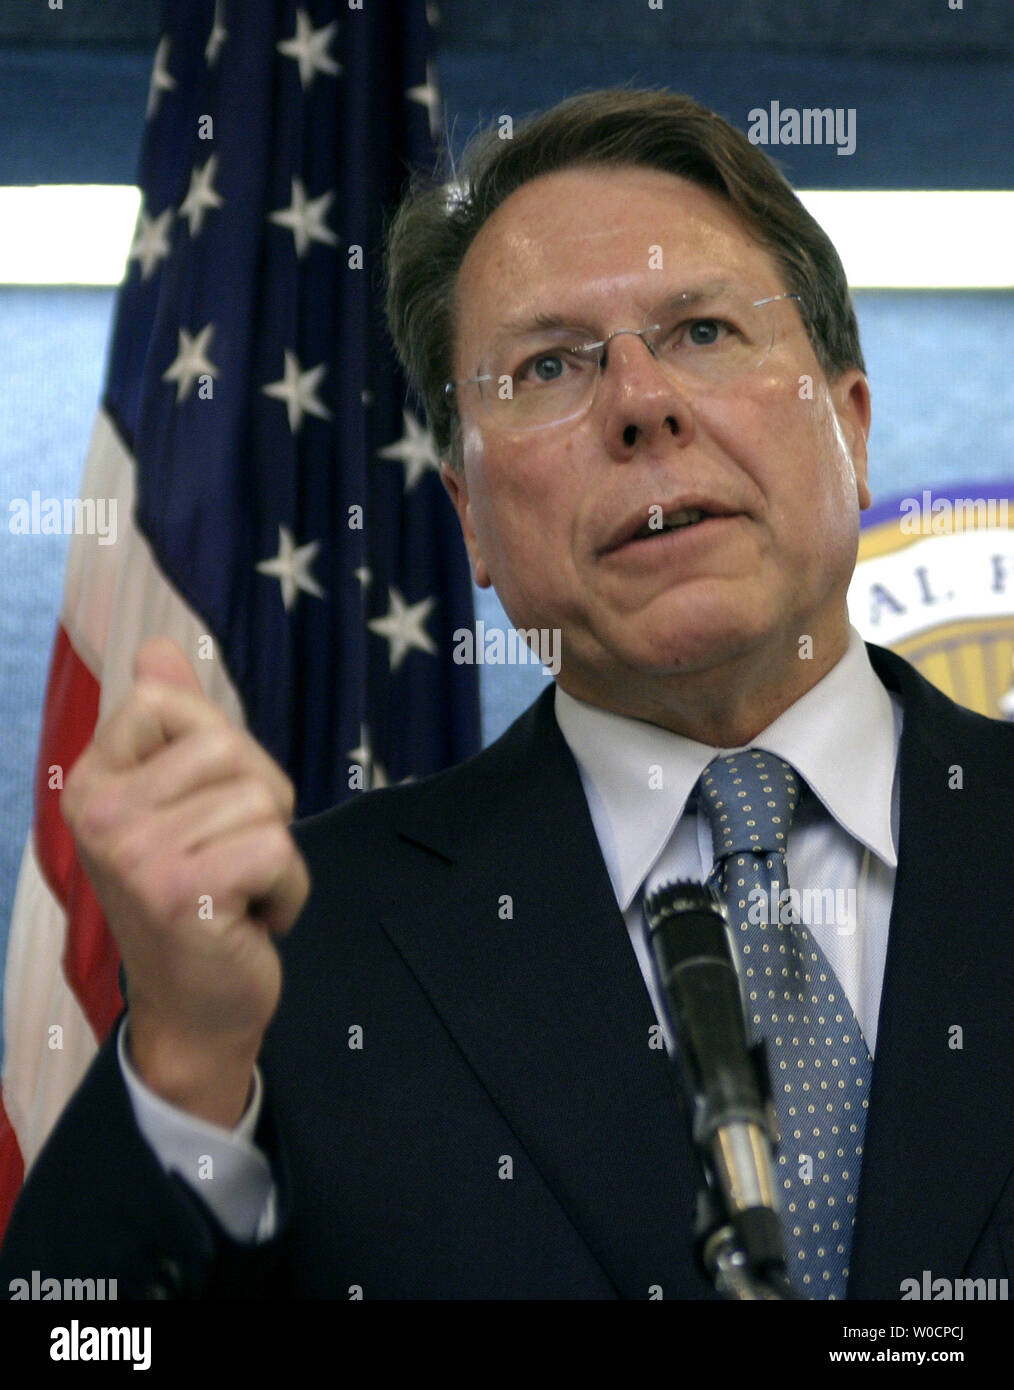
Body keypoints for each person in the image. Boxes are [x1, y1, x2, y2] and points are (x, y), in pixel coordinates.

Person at [2, 88, 1013, 1301]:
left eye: (703, 330)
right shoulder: (302, 950)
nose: (643, 402)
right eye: (546, 366)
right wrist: (189, 1062)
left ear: (849, 423)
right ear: (470, 517)